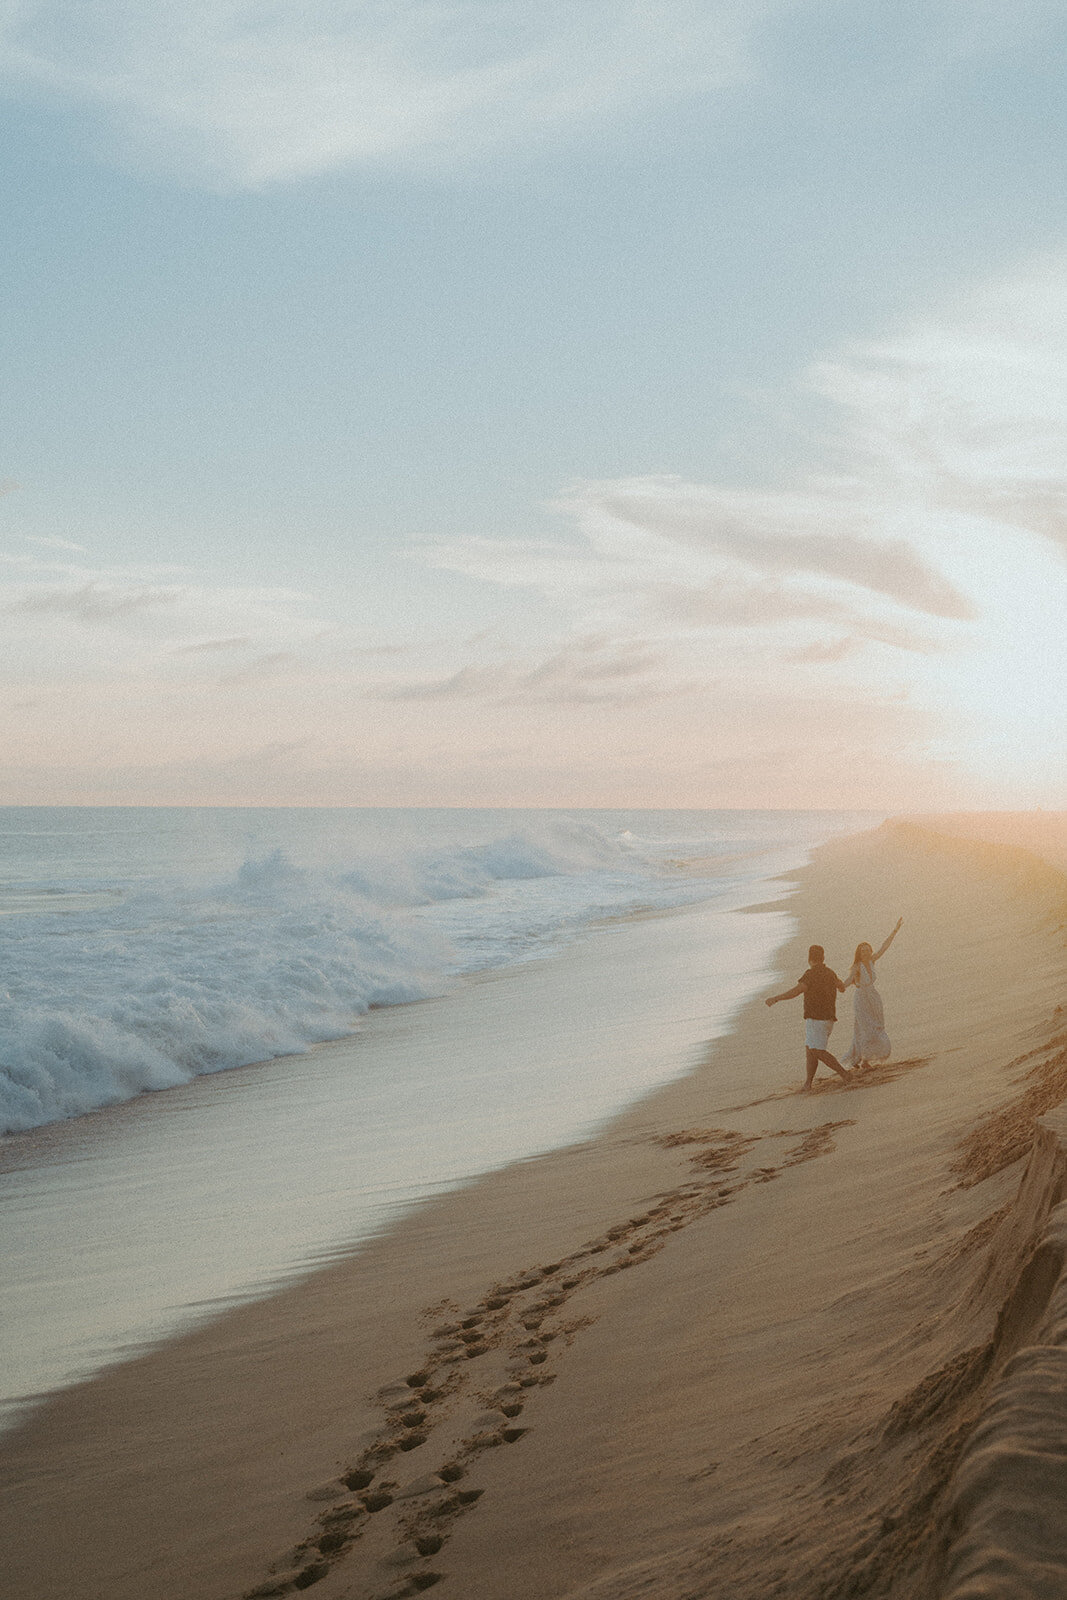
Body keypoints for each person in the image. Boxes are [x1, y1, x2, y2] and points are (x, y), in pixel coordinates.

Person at [765, 944, 849, 1091]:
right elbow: (841, 986)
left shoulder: (809, 975)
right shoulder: (830, 972)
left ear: (810, 959)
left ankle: (845, 1074)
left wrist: (776, 998)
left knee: (817, 1050)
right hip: (828, 1018)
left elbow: (797, 991)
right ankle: (808, 1083)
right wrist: (840, 986)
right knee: (810, 1049)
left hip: (817, 1019)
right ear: (823, 958)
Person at [841, 919, 903, 1070]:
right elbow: (849, 981)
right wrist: (839, 985)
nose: (866, 952)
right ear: (859, 953)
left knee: (875, 1026)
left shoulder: (872, 961)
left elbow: (884, 947)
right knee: (866, 1028)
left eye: (867, 949)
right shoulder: (857, 966)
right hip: (861, 998)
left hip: (873, 997)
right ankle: (865, 1061)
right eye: (863, 950)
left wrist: (895, 931)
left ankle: (857, 1058)